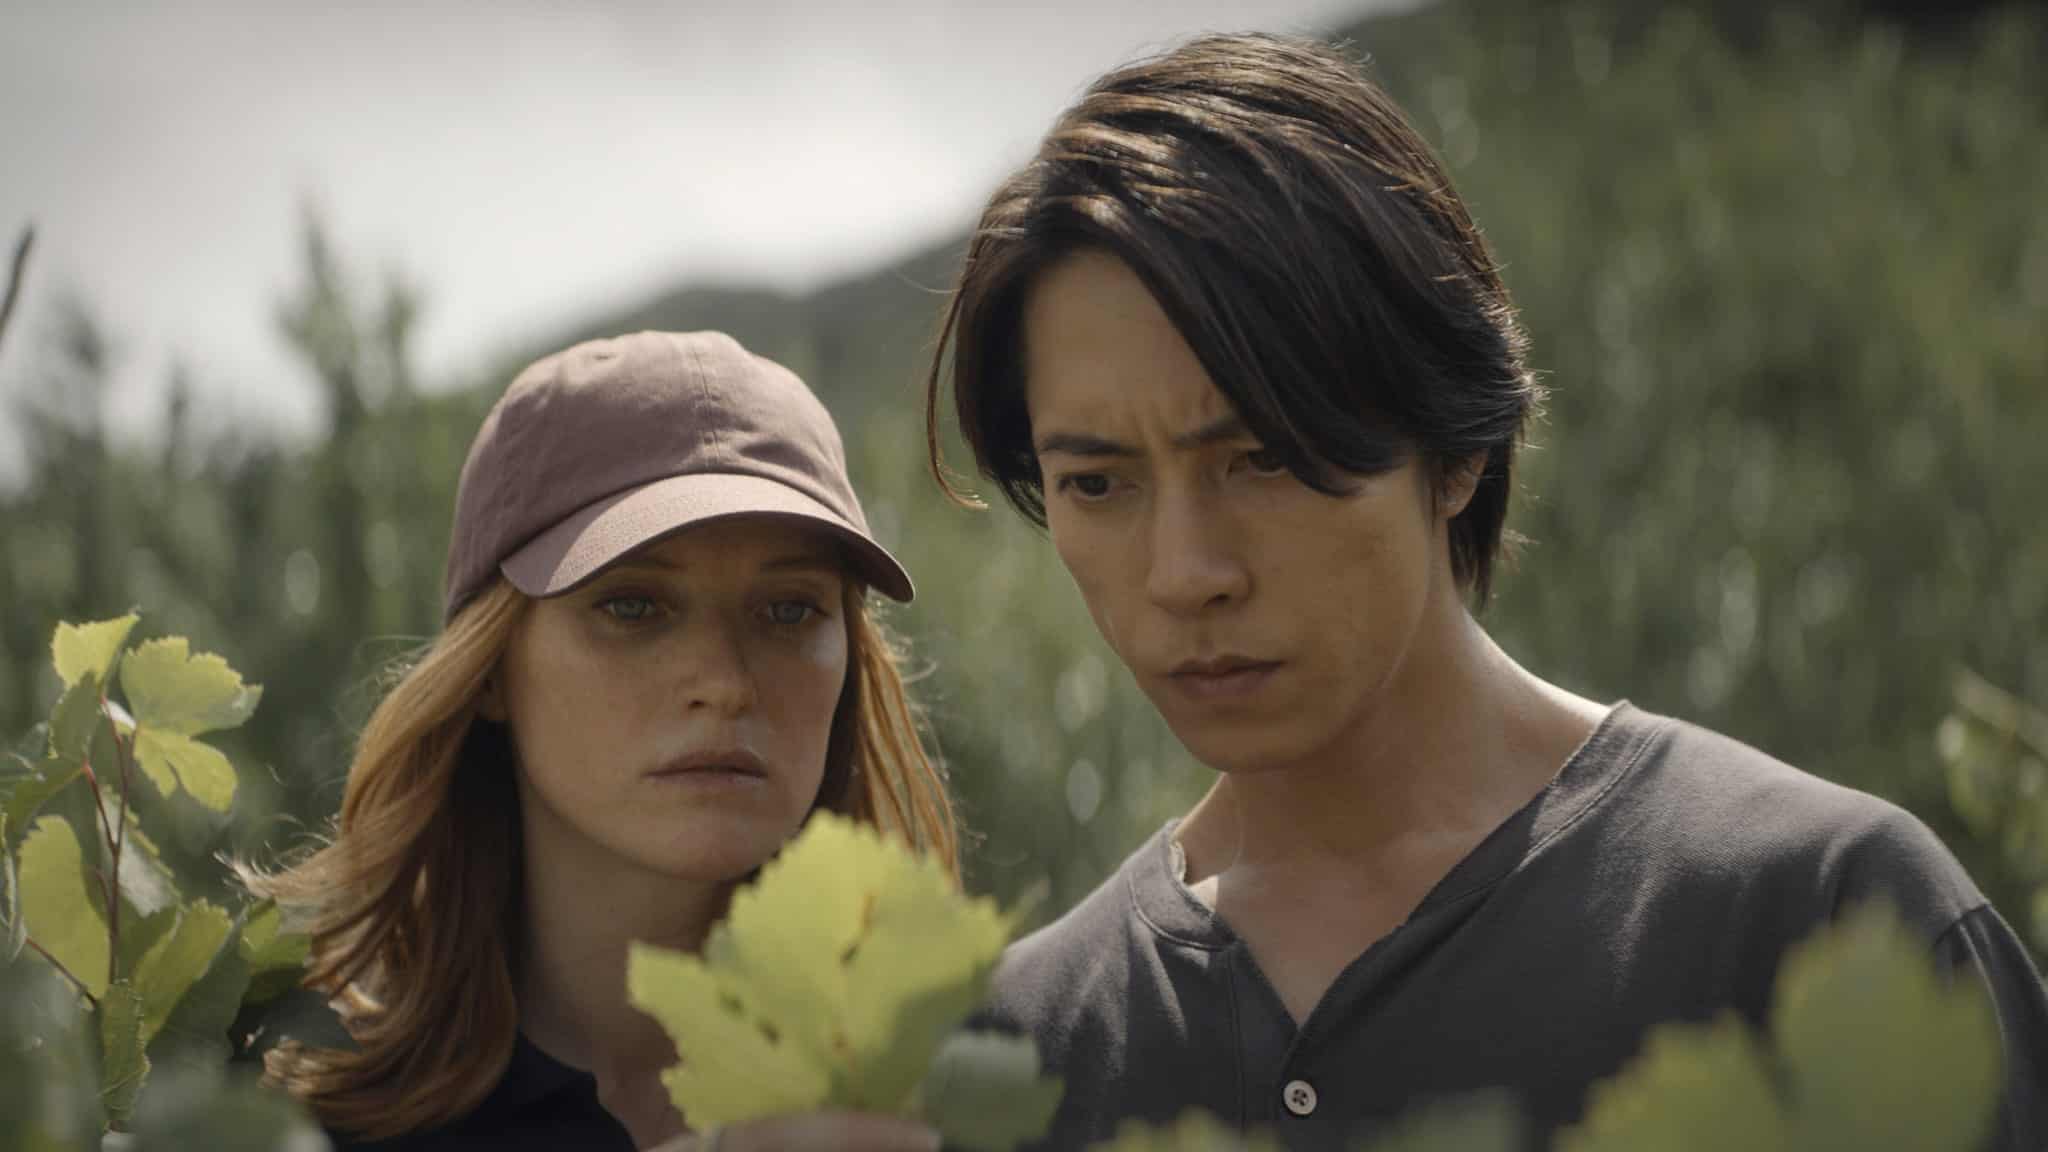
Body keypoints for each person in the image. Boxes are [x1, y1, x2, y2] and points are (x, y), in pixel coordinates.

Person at [924, 32, 2048, 1151]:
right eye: (1096, 482)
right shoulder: (1021, 1056)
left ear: (1454, 448)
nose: (1184, 572)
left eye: (1261, 457)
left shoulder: (1821, 926)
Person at [246, 330, 950, 1152]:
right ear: (491, 672)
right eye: (633, 607)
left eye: (790, 610)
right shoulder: (304, 1110)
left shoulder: (959, 1084)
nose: (723, 681)